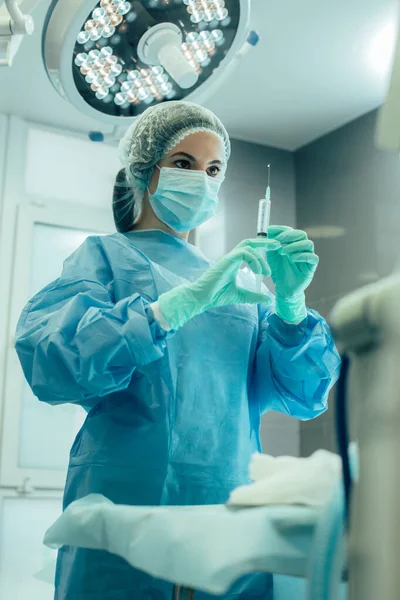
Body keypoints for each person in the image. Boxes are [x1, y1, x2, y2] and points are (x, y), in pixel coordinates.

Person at [15, 101, 340, 600]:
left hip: (228, 512)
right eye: (184, 164)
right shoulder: (104, 258)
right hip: (126, 505)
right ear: (144, 174)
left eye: (214, 170)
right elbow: (51, 359)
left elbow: (302, 395)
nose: (202, 180)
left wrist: (291, 308)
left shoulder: (238, 284)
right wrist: (168, 311)